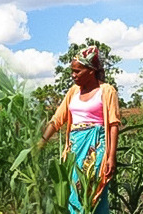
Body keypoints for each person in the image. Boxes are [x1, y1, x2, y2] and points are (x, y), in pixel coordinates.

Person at [38, 46, 120, 213]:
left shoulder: (106, 91)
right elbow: (56, 120)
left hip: (96, 148)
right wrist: (41, 142)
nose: (73, 75)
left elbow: (113, 124)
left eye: (77, 71)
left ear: (91, 71)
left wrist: (111, 156)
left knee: (91, 192)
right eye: (72, 71)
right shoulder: (73, 92)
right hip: (75, 149)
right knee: (73, 193)